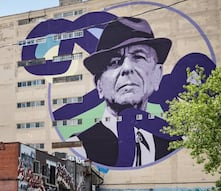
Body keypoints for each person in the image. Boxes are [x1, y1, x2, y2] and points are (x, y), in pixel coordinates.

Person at [69, 16, 176, 167]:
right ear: (99, 85)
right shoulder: (79, 147)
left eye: (139, 57)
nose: (127, 68)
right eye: (114, 62)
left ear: (157, 75)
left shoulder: (173, 143)